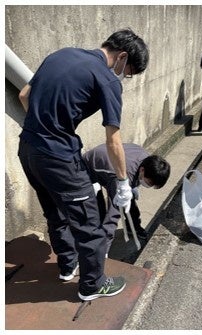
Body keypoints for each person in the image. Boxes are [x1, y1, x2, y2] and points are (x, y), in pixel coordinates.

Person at [17, 29, 149, 301]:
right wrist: (123, 182)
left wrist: (41, 128)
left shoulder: (61, 54)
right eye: (130, 71)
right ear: (122, 56)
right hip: (60, 157)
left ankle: (68, 265)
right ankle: (93, 284)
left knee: (55, 212)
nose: (126, 76)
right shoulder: (107, 79)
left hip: (28, 149)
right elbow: (114, 140)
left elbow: (24, 95)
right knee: (90, 225)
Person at [83, 143, 170, 254]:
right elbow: (113, 215)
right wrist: (104, 252)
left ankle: (133, 227)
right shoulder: (122, 177)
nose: (149, 186)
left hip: (108, 165)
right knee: (100, 215)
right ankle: (98, 250)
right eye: (149, 183)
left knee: (129, 200)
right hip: (87, 170)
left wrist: (133, 187)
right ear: (142, 171)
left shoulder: (147, 160)